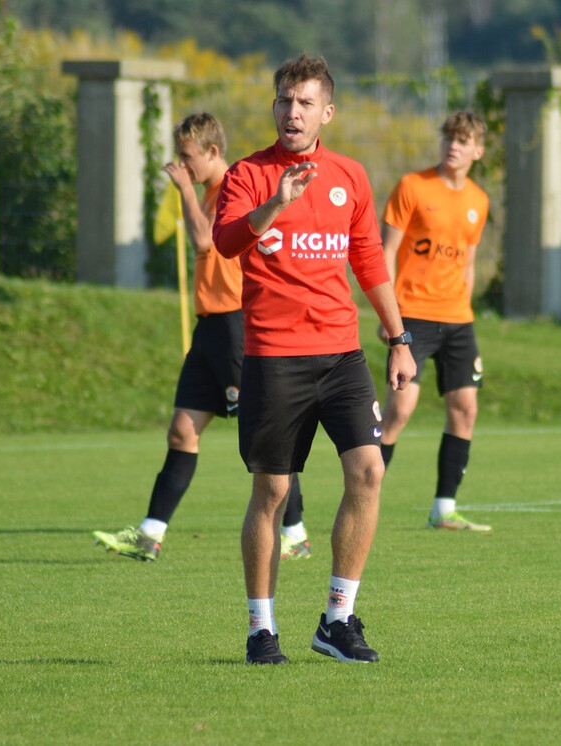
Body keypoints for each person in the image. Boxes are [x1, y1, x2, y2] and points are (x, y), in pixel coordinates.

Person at [213, 54, 416, 665]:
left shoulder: (349, 175)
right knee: (273, 491)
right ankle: (260, 630)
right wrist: (274, 204)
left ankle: (337, 619)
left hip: (342, 354)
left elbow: (369, 261)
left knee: (369, 472)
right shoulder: (248, 175)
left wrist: (399, 337)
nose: (291, 111)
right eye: (283, 100)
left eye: (303, 102)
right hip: (275, 358)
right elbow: (225, 242)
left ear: (326, 112)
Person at [93, 112, 311, 563]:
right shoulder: (208, 188)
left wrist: (185, 192)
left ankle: (296, 531)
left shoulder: (231, 185)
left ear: (212, 152)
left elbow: (203, 242)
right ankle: (150, 535)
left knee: (266, 435)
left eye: (188, 156)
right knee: (181, 432)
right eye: (179, 157)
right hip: (209, 328)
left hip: (235, 324)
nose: (182, 164)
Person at [377, 110, 492, 533]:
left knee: (465, 409)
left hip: (458, 320)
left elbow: (469, 262)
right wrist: (390, 320)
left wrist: (465, 304)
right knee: (399, 410)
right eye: (449, 137)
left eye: (463, 140)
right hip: (412, 316)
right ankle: (364, 496)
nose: (453, 145)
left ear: (477, 150)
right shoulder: (412, 187)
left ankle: (444, 508)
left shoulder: (479, 201)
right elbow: (384, 253)